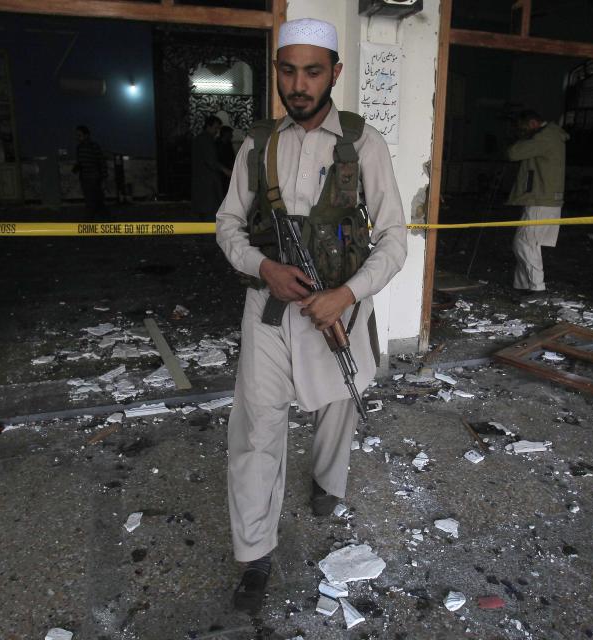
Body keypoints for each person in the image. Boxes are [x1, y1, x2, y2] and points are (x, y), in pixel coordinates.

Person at [216, 17, 407, 615]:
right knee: (255, 434)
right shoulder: (257, 144)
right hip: (270, 310)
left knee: (337, 408)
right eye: (288, 71)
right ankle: (255, 553)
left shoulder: (361, 144)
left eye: (313, 71)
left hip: (339, 311)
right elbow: (226, 226)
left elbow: (396, 238)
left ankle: (328, 484)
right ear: (276, 72)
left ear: (335, 74)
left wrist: (347, 295)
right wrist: (262, 266)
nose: (299, 85)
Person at [505, 109, 568, 293]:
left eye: (523, 128)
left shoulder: (544, 137)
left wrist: (519, 138)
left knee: (524, 243)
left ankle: (537, 287)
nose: (522, 131)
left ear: (533, 123)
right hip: (544, 198)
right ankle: (522, 285)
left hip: (541, 200)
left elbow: (513, 153)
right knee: (531, 243)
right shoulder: (551, 136)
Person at [191, 116, 230, 216]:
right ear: (209, 126)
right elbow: (210, 161)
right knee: (210, 209)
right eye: (216, 128)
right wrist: (225, 170)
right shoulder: (206, 139)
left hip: (203, 179)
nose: (217, 131)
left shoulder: (202, 138)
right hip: (207, 180)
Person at [73, 125, 108, 216]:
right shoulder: (79, 148)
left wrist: (104, 178)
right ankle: (98, 219)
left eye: (79, 135)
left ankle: (97, 220)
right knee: (92, 201)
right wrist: (77, 167)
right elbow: (80, 162)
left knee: (96, 201)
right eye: (77, 135)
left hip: (94, 178)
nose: (78, 137)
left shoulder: (94, 146)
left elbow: (101, 162)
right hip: (85, 178)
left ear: (86, 135)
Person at [216, 125, 236, 196]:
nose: (232, 135)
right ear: (225, 134)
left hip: (229, 171)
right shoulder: (218, 144)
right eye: (230, 133)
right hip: (222, 172)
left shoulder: (228, 144)